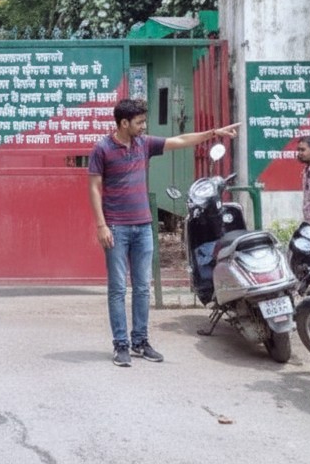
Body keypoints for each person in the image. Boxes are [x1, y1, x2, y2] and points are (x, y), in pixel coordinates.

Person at [88, 98, 240, 368]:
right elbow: (95, 188)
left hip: (143, 225)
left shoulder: (143, 144)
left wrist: (214, 134)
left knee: (143, 288)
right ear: (124, 123)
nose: (143, 126)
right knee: (117, 289)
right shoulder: (102, 149)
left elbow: (180, 140)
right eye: (139, 122)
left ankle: (141, 341)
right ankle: (120, 345)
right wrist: (101, 225)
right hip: (116, 227)